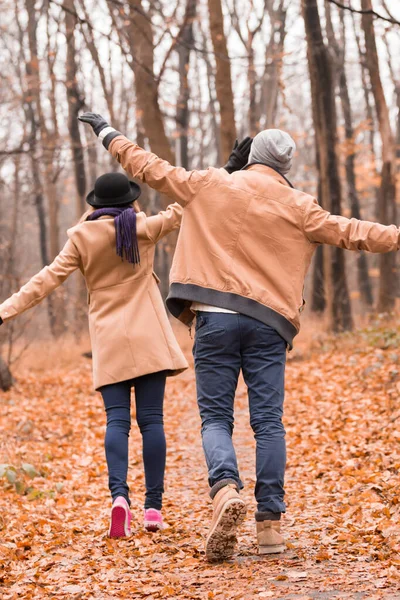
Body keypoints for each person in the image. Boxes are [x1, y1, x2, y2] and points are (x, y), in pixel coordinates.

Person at [79, 112, 400, 561]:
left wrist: (107, 133)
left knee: (215, 418)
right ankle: (269, 525)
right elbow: (352, 232)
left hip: (214, 318)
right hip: (269, 324)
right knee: (268, 421)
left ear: (251, 157)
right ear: (283, 167)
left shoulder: (211, 183)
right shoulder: (299, 205)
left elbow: (148, 167)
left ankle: (226, 488)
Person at [0, 172, 188, 538]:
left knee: (117, 421)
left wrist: (4, 311)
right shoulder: (143, 227)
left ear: (95, 206)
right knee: (152, 422)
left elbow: (45, 280)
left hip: (110, 340)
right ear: (130, 202)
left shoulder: (81, 239)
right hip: (148, 336)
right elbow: (184, 209)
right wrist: (224, 173)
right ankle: (153, 508)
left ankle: (120, 499)